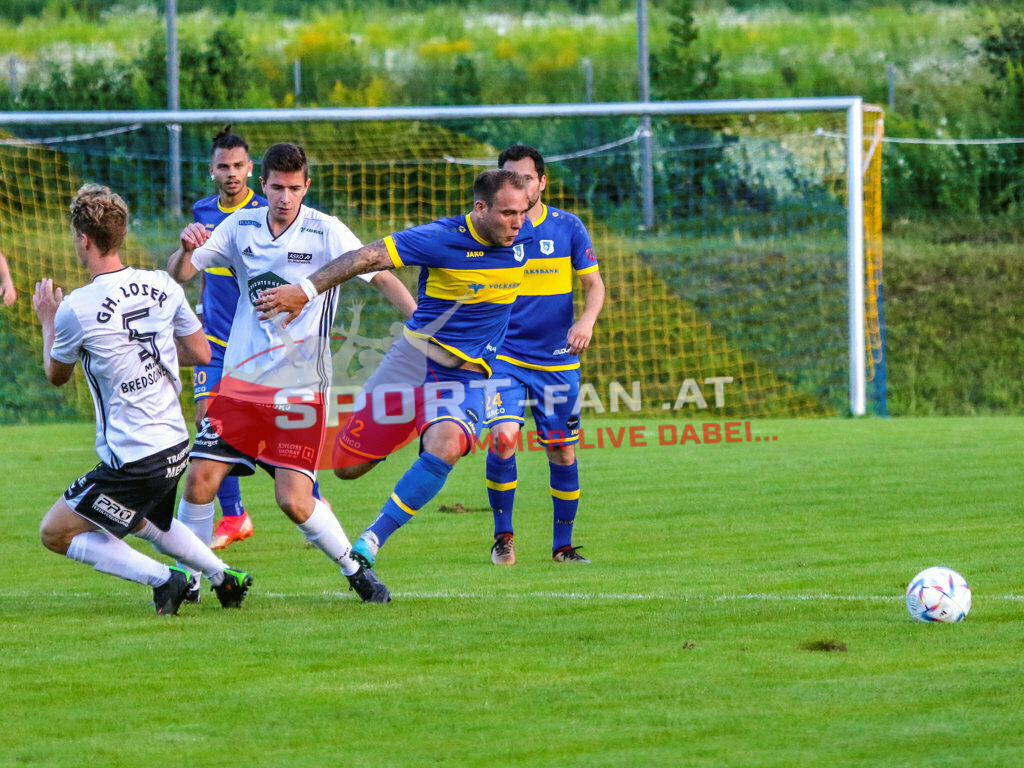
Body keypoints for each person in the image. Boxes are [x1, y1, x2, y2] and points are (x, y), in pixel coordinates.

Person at [255, 169, 533, 593]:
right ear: (480, 209)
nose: (518, 222)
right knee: (348, 468)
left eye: (523, 212)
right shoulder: (441, 238)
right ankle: (411, 427)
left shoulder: (525, 237)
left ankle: (372, 537)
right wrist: (305, 290)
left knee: (448, 444)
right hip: (411, 362)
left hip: (466, 376)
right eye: (508, 213)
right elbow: (367, 258)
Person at [167, 142, 416, 603]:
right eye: (277, 187)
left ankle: (353, 568)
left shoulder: (326, 232)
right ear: (263, 186)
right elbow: (180, 272)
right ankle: (191, 581)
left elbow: (379, 272)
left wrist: (418, 325)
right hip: (240, 387)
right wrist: (185, 252)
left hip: (298, 390)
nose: (285, 197)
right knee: (199, 478)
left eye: (294, 188)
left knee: (294, 500)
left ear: (306, 187)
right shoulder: (238, 225)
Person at [33, 184, 251, 616]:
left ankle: (166, 580)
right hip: (174, 443)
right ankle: (224, 577)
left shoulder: (77, 307)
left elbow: (57, 376)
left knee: (55, 531)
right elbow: (202, 353)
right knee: (150, 522)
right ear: (123, 233)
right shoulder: (162, 285)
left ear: (84, 239)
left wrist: (47, 324)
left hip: (133, 455)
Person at [484, 145, 605, 566]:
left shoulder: (568, 227)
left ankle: (563, 547)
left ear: (542, 182)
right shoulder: (490, 230)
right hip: (504, 359)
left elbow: (594, 286)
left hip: (557, 361)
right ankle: (503, 538)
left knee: (562, 451)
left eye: (525, 179)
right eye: (508, 178)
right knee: (502, 440)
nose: (517, 187)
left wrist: (586, 322)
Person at [187, 126, 267, 555]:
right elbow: (195, 271)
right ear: (212, 170)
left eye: (239, 166)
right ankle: (234, 515)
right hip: (213, 341)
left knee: (270, 425)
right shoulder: (203, 211)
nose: (232, 173)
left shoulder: (270, 210)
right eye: (224, 166)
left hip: (259, 344)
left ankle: (307, 493)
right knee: (207, 421)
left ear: (251, 169)